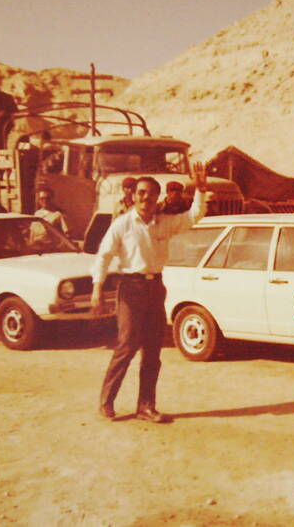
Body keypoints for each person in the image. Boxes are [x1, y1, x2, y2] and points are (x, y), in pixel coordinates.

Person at [90, 163, 208, 423]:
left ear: (158, 197)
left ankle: (146, 406)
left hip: (155, 288)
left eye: (152, 193)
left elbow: (193, 216)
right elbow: (103, 256)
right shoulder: (122, 225)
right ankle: (106, 402)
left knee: (153, 350)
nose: (146, 197)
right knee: (127, 345)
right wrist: (97, 287)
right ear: (133, 196)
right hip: (130, 288)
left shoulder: (163, 223)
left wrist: (200, 190)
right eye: (141, 193)